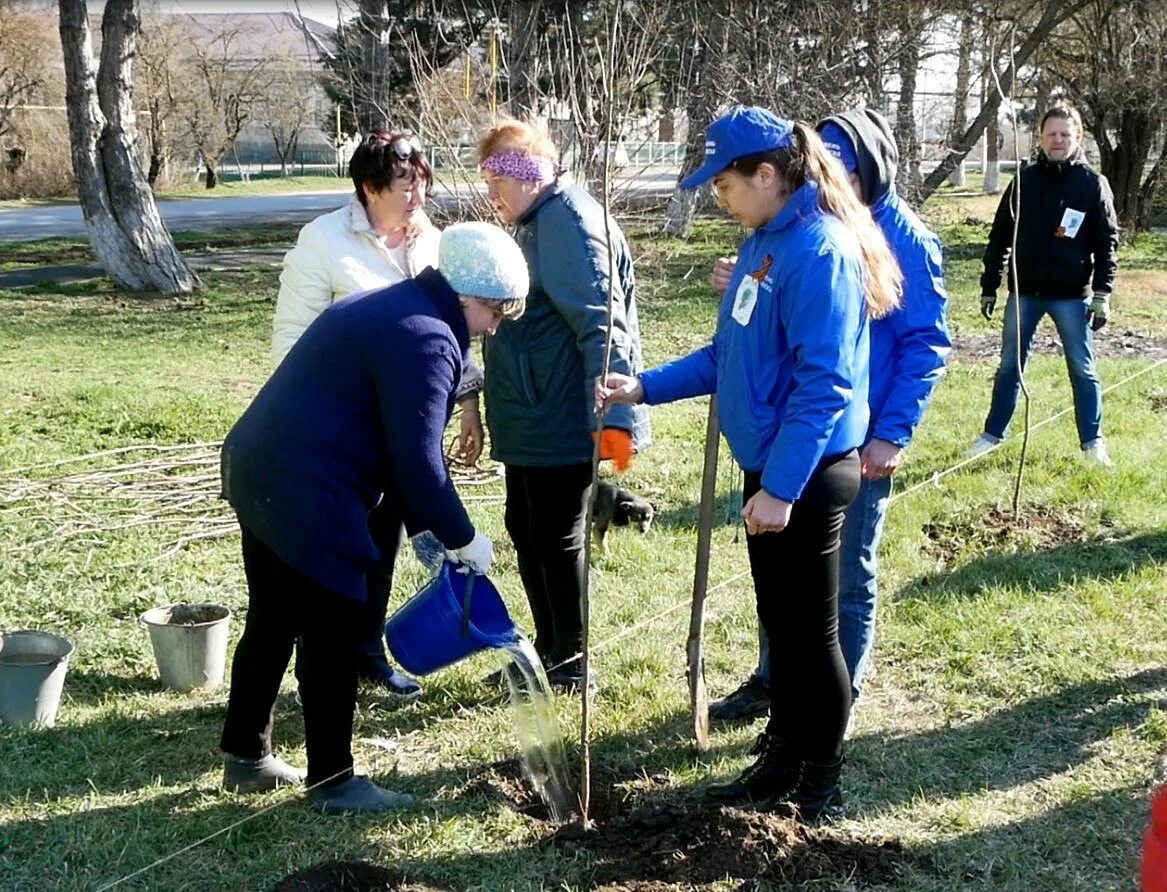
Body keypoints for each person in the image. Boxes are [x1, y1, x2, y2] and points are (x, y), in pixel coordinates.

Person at [598, 106, 901, 822]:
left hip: (806, 476)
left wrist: (781, 488)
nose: (719, 197)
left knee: (811, 633)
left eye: (725, 184)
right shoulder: (765, 244)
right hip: (769, 472)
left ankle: (819, 783)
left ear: (767, 174)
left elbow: (823, 382)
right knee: (782, 628)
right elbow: (723, 355)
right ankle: (780, 759)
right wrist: (643, 386)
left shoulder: (817, 250)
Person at [218, 222, 527, 814]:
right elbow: (417, 461)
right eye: (494, 312)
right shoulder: (431, 338)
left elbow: (394, 447)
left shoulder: (394, 306)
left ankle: (246, 754)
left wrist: (427, 536)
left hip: (257, 468)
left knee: (275, 615)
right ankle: (334, 781)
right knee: (335, 628)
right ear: (465, 295)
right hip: (307, 489)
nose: (493, 327)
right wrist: (463, 538)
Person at [708, 109, 952, 724]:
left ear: (870, 166)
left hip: (853, 437)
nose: (827, 171)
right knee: (793, 595)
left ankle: (837, 695)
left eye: (841, 160)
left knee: (847, 576)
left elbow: (924, 343)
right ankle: (778, 684)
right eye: (824, 155)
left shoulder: (896, 236)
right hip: (797, 433)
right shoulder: (794, 234)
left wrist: (892, 432)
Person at [274, 129, 485, 700]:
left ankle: (368, 652)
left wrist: (468, 403)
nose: (417, 198)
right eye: (404, 187)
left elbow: (455, 330)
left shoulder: (433, 243)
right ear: (369, 187)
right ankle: (321, 659)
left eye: (422, 185)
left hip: (405, 426)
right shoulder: (322, 243)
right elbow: (293, 342)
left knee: (384, 543)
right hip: (344, 434)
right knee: (342, 551)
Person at [476, 119, 650, 693]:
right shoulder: (533, 222)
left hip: (560, 419)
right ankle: (545, 652)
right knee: (525, 528)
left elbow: (604, 329)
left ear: (531, 173)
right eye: (487, 176)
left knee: (555, 536)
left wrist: (614, 427)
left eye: (500, 175)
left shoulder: (568, 224)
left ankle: (572, 664)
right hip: (529, 415)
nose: (491, 189)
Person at [964, 103, 1119, 466]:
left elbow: (1107, 242)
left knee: (1082, 368)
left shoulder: (1093, 185)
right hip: (1025, 292)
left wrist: (1102, 293)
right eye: (1051, 134)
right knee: (1009, 367)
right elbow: (1000, 234)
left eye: (1065, 134)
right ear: (1040, 138)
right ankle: (992, 435)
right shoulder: (1024, 181)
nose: (1058, 140)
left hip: (1071, 296)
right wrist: (990, 283)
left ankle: (1093, 443)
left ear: (1077, 137)